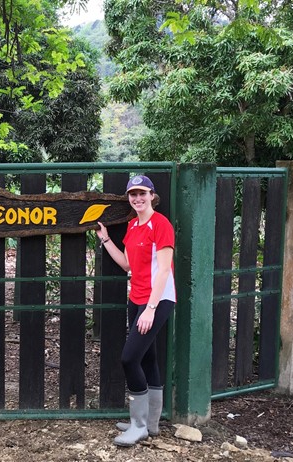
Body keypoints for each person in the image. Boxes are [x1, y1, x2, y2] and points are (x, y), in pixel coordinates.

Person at [96, 174, 176, 447]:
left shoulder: (161, 225)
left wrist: (151, 308)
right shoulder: (132, 226)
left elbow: (164, 269)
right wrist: (106, 240)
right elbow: (128, 265)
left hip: (158, 299)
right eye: (133, 194)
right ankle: (151, 423)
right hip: (137, 297)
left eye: (143, 193)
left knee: (129, 359)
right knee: (146, 358)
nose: (138, 198)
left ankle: (139, 425)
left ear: (152, 195)